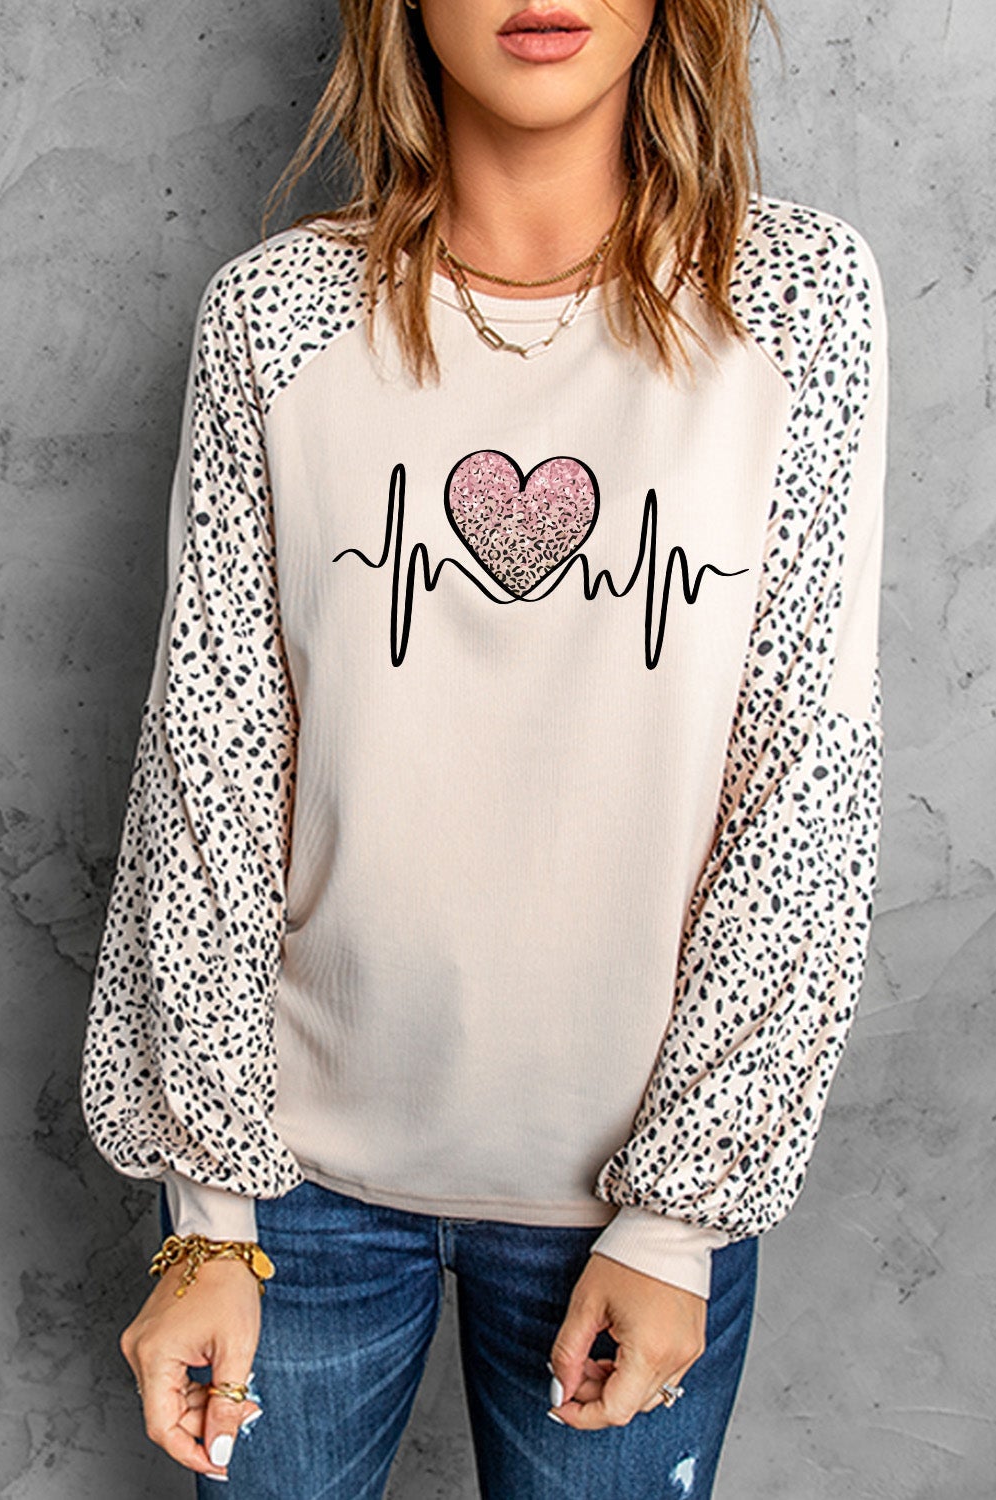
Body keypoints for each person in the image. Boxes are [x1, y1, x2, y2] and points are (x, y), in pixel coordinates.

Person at [78, 0, 888, 1495]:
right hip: (289, 1198)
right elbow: (210, 770)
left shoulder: (791, 302)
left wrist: (676, 1221)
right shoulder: (277, 317)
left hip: (634, 1205)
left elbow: (805, 782)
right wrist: (209, 1217)